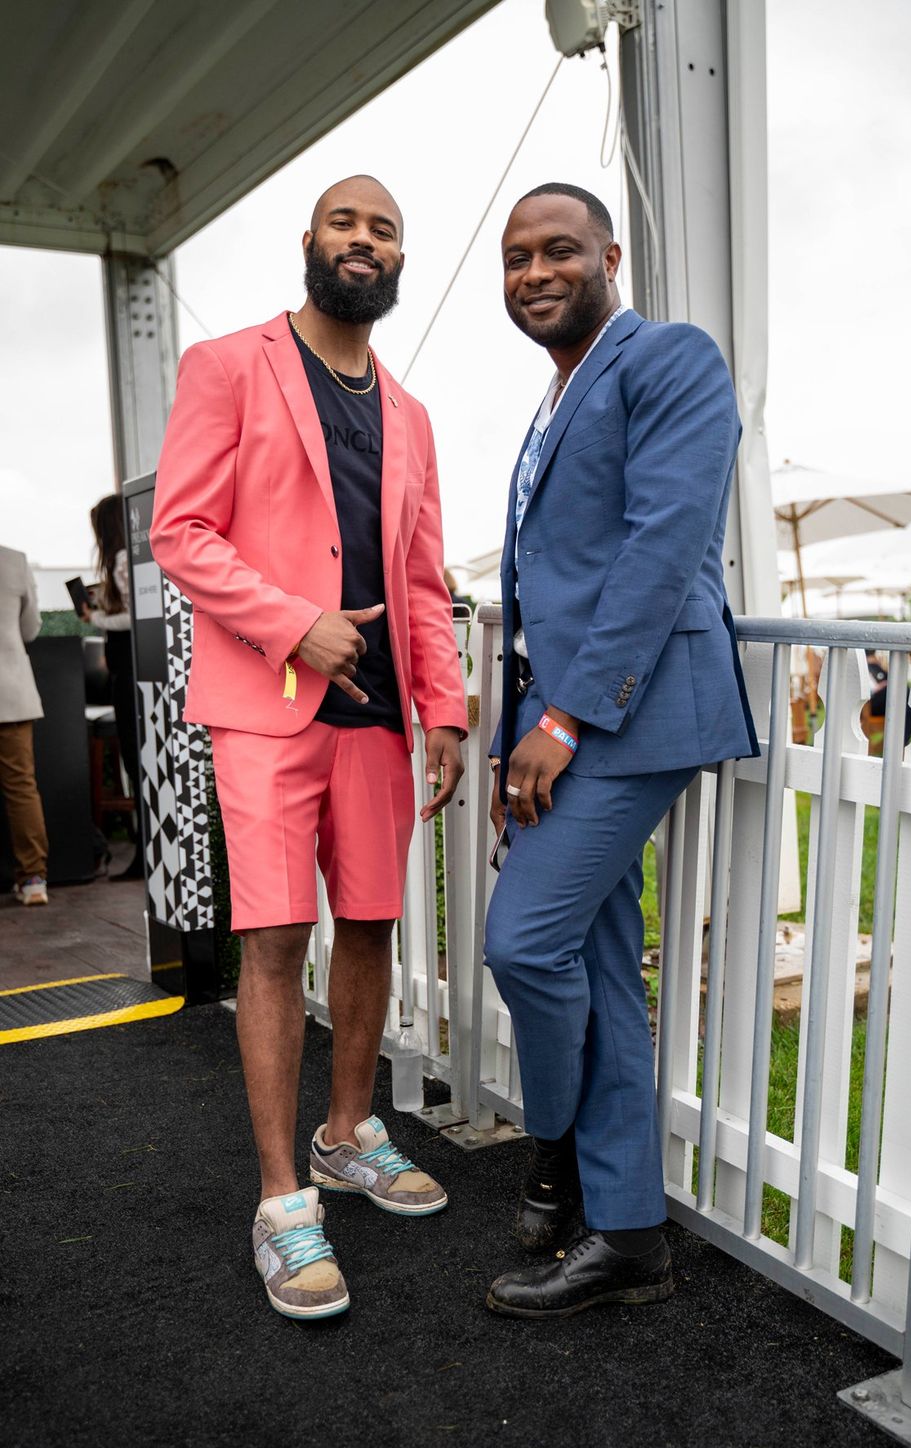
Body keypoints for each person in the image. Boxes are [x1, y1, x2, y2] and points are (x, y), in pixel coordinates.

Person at [151, 175, 467, 1321]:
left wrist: (444, 710)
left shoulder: (413, 417)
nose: (365, 241)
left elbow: (423, 581)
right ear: (310, 243)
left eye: (385, 227)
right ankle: (284, 1199)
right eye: (347, 222)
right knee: (276, 941)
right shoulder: (230, 366)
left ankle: (349, 1133)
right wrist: (295, 623)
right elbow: (178, 530)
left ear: (396, 259)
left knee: (372, 928)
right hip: (265, 709)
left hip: (379, 721)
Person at [482, 183, 759, 1319]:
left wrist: (561, 720)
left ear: (608, 256)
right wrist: (526, 723)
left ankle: (552, 1150)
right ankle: (630, 1232)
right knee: (596, 970)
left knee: (520, 944)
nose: (534, 272)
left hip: (632, 714)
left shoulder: (670, 357)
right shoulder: (553, 396)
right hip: (568, 716)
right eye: (514, 258)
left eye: (557, 251)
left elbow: (661, 545)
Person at [83, 494, 144, 881]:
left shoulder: (123, 560)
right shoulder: (130, 558)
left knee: (136, 765)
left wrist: (97, 619)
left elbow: (134, 617)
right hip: (130, 672)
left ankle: (143, 854)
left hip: (129, 675)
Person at [0, 545, 49, 906]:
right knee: (21, 787)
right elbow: (30, 629)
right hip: (11, 692)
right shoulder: (14, 560)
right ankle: (33, 879)